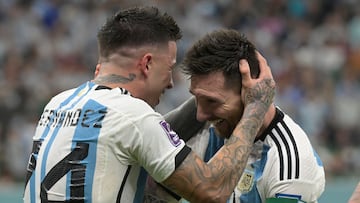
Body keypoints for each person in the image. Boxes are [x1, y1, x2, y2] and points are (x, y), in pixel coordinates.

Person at [23, 6, 276, 203]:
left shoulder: (60, 102)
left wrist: (207, 96)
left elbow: (143, 136)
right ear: (147, 64)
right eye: (169, 68)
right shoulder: (133, 115)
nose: (170, 83)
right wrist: (255, 105)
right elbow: (213, 190)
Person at [144, 29, 325, 203]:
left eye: (212, 102)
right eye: (196, 98)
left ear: (250, 92)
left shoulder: (290, 163)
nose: (199, 115)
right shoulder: (206, 130)